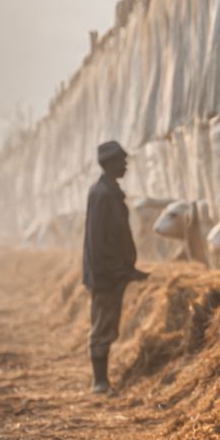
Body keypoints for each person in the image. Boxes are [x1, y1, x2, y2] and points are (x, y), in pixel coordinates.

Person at [82, 141, 149, 394]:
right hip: (105, 276)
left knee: (107, 324)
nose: (126, 165)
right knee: (103, 325)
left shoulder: (108, 192)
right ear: (110, 164)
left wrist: (128, 269)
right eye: (122, 161)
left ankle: (102, 381)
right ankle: (99, 383)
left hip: (109, 273)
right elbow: (100, 243)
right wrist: (119, 271)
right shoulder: (102, 194)